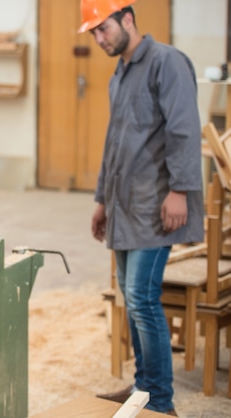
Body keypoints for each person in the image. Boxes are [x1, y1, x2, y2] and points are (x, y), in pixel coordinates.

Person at [81, 0, 203, 415]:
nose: (100, 39)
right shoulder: (121, 75)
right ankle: (142, 389)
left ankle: (161, 401)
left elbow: (184, 129)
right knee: (131, 299)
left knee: (142, 297)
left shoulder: (166, 62)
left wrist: (181, 190)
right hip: (124, 205)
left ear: (127, 19)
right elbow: (113, 145)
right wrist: (101, 200)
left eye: (103, 29)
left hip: (156, 203)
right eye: (94, 33)